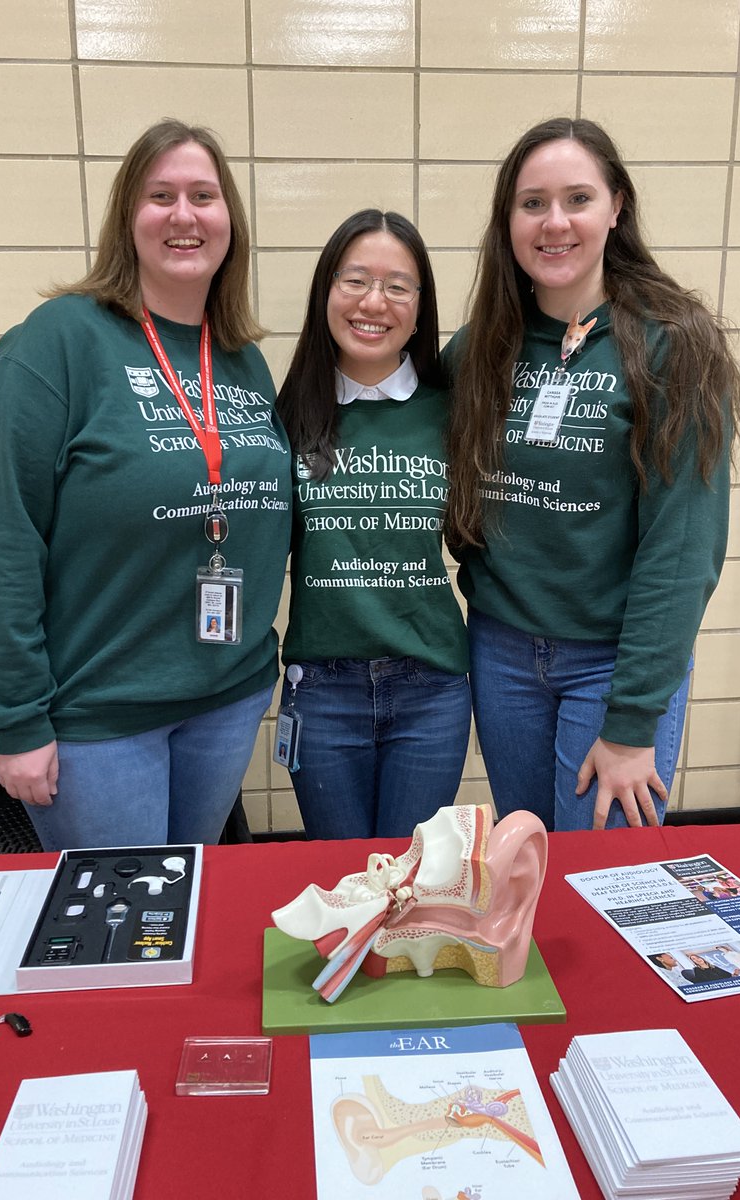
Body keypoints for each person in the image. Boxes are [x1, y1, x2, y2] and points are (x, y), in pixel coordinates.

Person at [0, 120, 291, 850]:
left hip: (225, 699)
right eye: (159, 195)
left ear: (230, 219)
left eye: (204, 195)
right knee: (121, 937)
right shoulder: (58, 342)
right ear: (126, 219)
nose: (184, 214)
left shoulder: (238, 359)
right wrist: (16, 716)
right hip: (96, 717)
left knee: (184, 905)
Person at [444, 117, 740, 832]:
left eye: (577, 199)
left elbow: (682, 547)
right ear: (508, 221)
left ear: (617, 208)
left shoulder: (675, 344)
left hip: (613, 666)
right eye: (532, 204)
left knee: (599, 880)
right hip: (502, 653)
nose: (555, 223)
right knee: (527, 861)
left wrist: (634, 717)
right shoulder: (479, 350)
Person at [276, 210, 470, 839]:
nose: (373, 302)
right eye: (355, 280)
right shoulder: (286, 413)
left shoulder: (453, 411)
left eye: (397, 286)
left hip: (431, 688)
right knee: (344, 891)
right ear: (325, 292)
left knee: (410, 890)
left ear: (420, 306)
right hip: (323, 691)